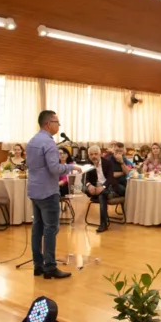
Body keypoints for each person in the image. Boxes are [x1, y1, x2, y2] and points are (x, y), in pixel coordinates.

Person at [26, 110, 83, 279]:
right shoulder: (49, 143)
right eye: (57, 122)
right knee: (50, 229)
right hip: (48, 191)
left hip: (34, 190)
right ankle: (50, 267)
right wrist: (71, 167)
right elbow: (54, 168)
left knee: (37, 228)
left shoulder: (32, 141)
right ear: (48, 123)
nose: (59, 126)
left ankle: (38, 265)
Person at [84, 145, 117, 233]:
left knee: (102, 195)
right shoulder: (88, 164)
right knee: (83, 187)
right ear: (89, 156)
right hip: (94, 187)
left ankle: (103, 224)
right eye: (91, 154)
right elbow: (84, 179)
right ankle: (99, 193)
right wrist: (89, 185)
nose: (93, 156)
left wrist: (103, 187)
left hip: (107, 186)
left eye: (96, 154)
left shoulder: (108, 163)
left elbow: (110, 179)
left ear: (100, 154)